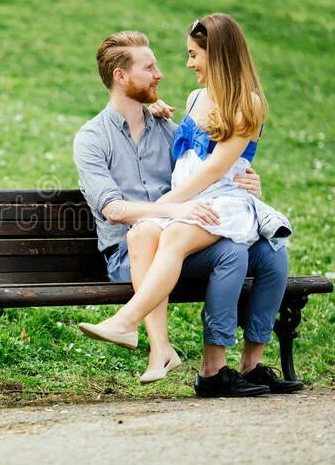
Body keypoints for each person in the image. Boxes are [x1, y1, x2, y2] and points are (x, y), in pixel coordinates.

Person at [73, 23, 302, 397]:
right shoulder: (92, 138)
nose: (162, 73)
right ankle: (165, 349)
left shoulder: (165, 126)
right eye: (149, 69)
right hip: (134, 249)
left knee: (268, 254)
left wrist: (245, 179)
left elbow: (208, 163)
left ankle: (238, 365)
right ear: (120, 75)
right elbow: (114, 210)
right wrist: (171, 210)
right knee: (148, 231)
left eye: (190, 55)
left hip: (175, 233)